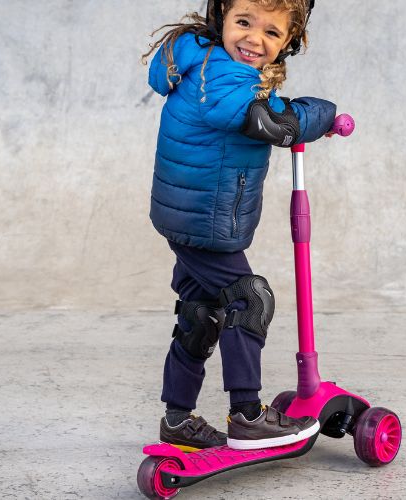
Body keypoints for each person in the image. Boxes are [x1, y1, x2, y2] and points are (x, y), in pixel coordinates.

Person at [141, 0, 337, 451]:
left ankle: (176, 420)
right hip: (206, 216)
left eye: (271, 32)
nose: (253, 39)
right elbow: (267, 121)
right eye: (244, 23)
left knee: (201, 311)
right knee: (249, 297)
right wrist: (319, 115)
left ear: (289, 43)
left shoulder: (203, 60)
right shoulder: (225, 74)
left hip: (187, 211)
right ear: (221, 19)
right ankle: (247, 416)